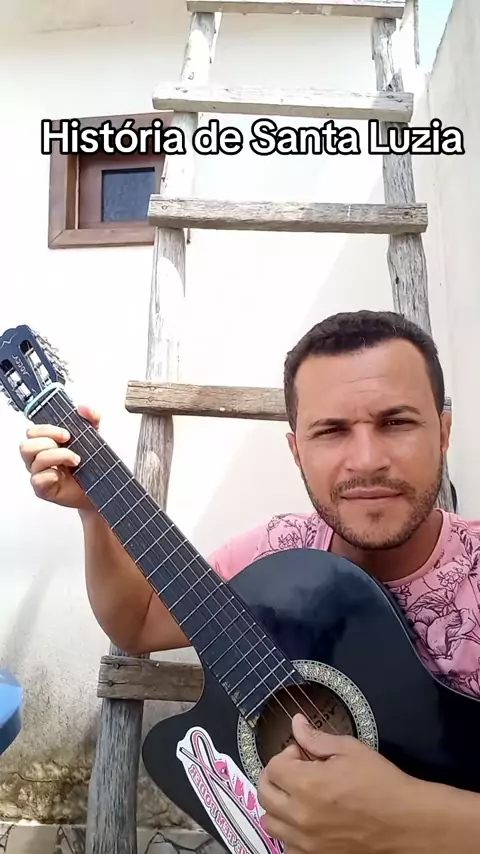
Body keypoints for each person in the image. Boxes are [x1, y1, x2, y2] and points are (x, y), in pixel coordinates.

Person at [19, 310, 480, 852]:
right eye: (331, 431)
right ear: (296, 451)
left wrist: (402, 818)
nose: (367, 459)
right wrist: (95, 510)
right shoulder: (275, 558)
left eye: (396, 422)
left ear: (443, 433)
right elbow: (138, 622)